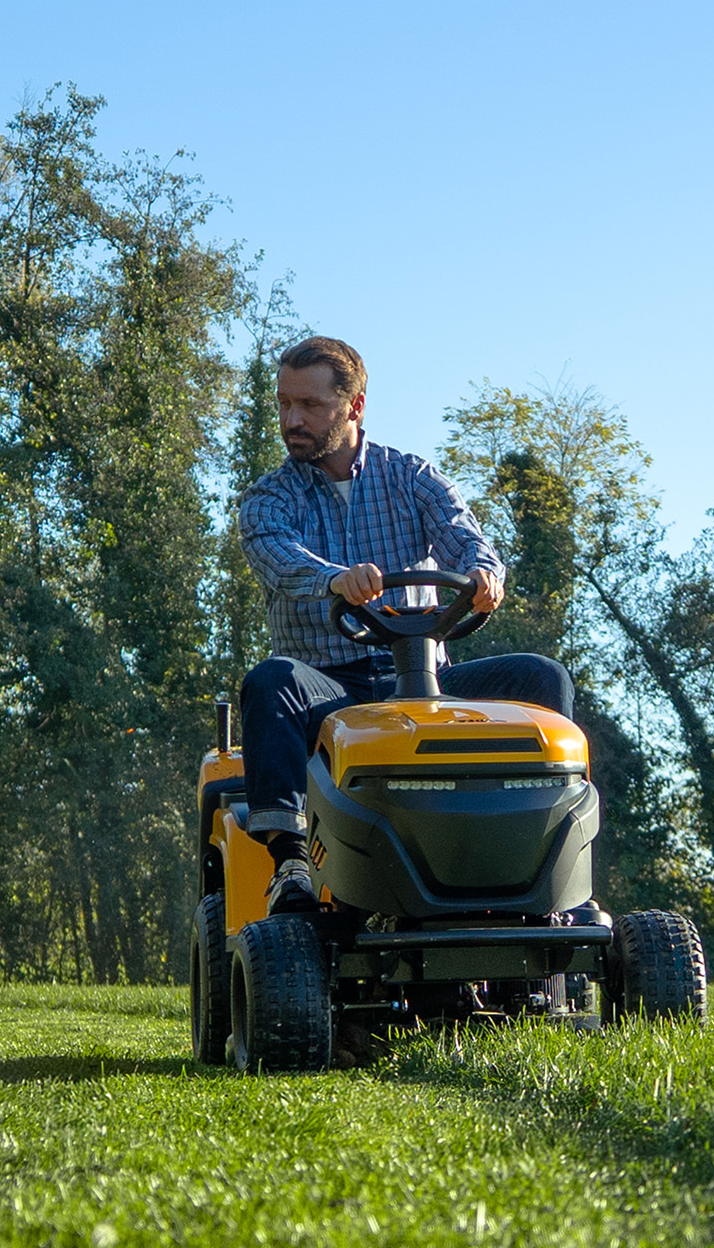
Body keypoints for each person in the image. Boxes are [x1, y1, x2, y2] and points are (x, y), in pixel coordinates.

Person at [238, 335, 575, 911]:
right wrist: (335, 578)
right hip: (329, 688)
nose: (292, 420)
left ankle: (539, 847)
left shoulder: (410, 477)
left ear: (355, 406)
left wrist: (483, 574)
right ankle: (291, 863)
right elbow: (278, 559)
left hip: (425, 685)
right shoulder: (270, 496)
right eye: (284, 405)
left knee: (542, 680)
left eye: (310, 406)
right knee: (271, 683)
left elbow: (468, 538)